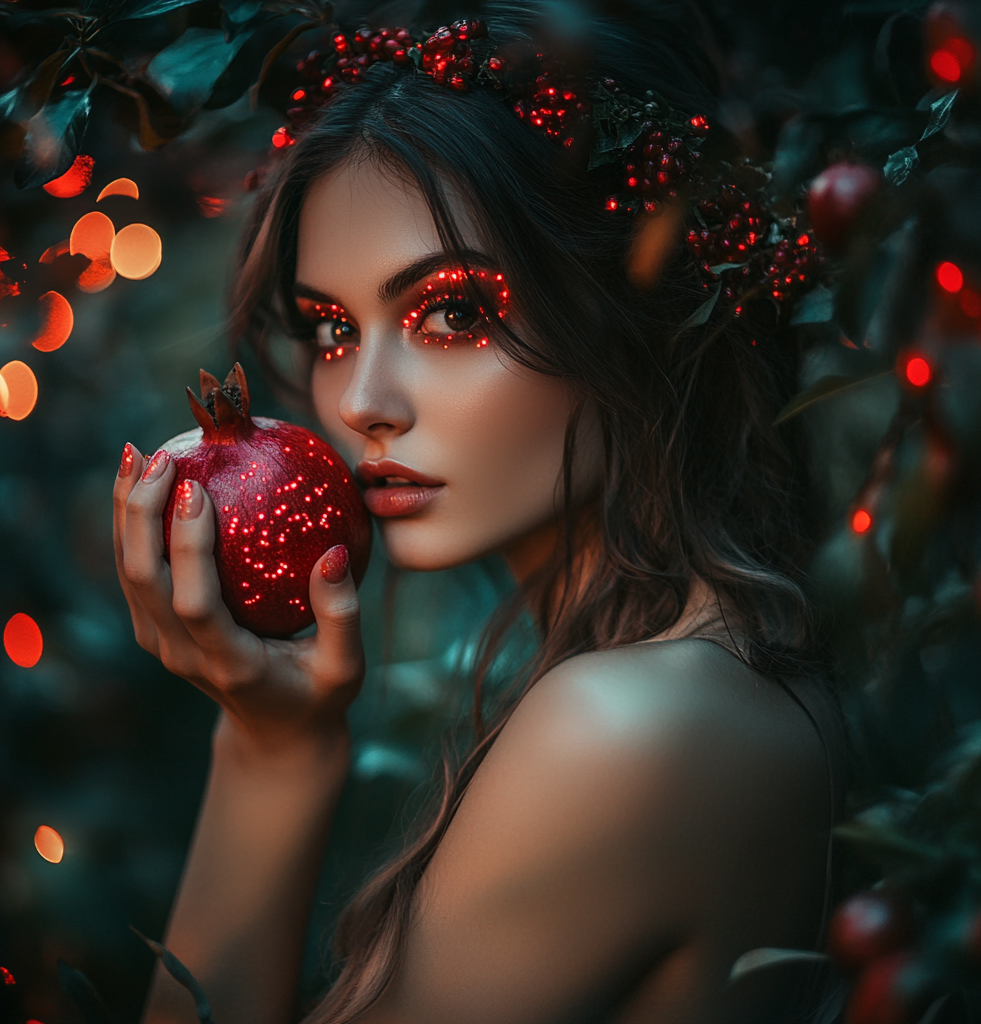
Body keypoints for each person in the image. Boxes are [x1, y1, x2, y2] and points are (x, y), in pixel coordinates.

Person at [113, 4, 844, 1022]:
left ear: (639, 302)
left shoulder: (631, 729)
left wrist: (267, 765)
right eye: (330, 328)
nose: (362, 400)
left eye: (452, 310)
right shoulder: (720, 679)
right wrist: (273, 735)